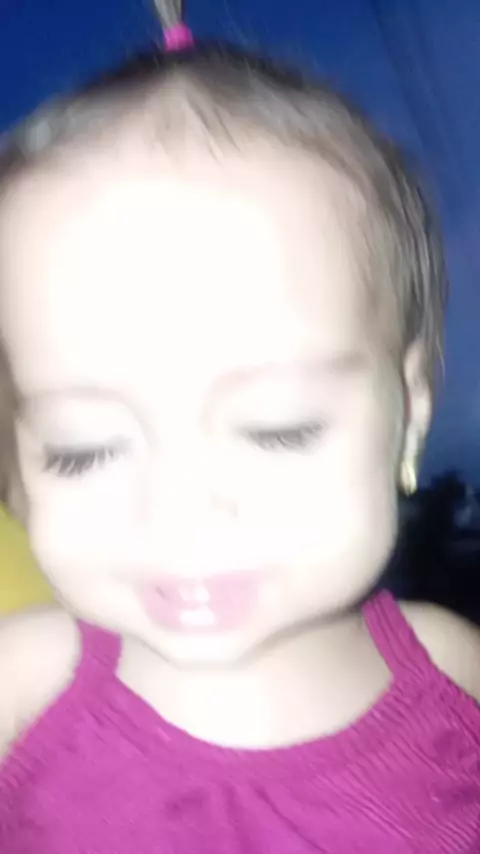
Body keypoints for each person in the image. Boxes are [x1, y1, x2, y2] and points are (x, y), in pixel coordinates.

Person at [0, 3, 479, 850]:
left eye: (276, 430)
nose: (179, 514)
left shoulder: (457, 673)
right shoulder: (22, 687)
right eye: (83, 450)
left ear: (409, 414)